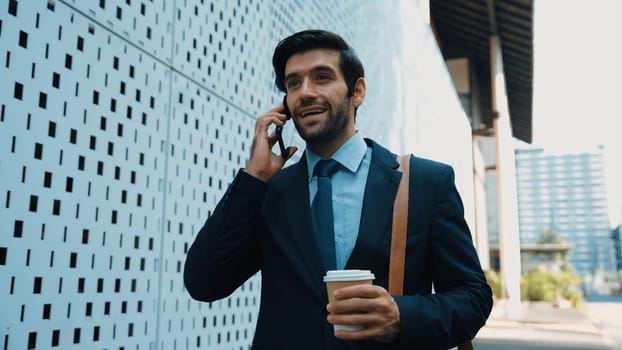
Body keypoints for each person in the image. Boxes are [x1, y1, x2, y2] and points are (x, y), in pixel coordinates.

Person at [184, 29, 492, 349]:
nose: (305, 92)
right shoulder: (270, 192)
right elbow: (204, 283)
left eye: (321, 77)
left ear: (356, 91)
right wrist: (253, 177)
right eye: (293, 83)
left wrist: (402, 316)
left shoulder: (426, 182)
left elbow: (473, 296)